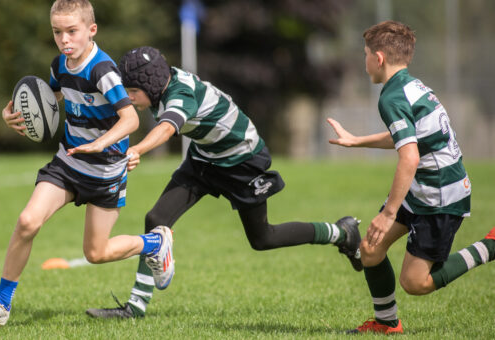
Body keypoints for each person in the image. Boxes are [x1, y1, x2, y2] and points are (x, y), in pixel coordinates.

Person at [85, 46, 363, 319]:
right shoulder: (158, 86)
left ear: (152, 84)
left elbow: (167, 128)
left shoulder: (181, 95)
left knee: (263, 238)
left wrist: (137, 150)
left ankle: (341, 233)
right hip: (204, 159)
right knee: (156, 218)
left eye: (133, 92)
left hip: (242, 161)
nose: (129, 98)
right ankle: (135, 308)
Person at [0, 0, 174, 326]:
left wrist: (99, 144)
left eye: (72, 31)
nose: (64, 40)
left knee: (96, 253)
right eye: (57, 32)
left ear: (91, 30)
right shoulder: (59, 65)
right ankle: (0, 304)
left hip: (105, 171)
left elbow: (130, 120)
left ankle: (155, 243)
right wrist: (13, 112)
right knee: (28, 221)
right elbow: (50, 96)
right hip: (68, 163)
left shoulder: (103, 71)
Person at [326, 20, 495, 334]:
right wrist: (357, 140)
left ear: (378, 58)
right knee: (371, 249)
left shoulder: (392, 97)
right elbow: (408, 139)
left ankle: (490, 246)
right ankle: (387, 323)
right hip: (424, 189)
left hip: (441, 198)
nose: (364, 63)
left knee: (415, 283)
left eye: (365, 55)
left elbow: (410, 156)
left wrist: (388, 214)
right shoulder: (410, 86)